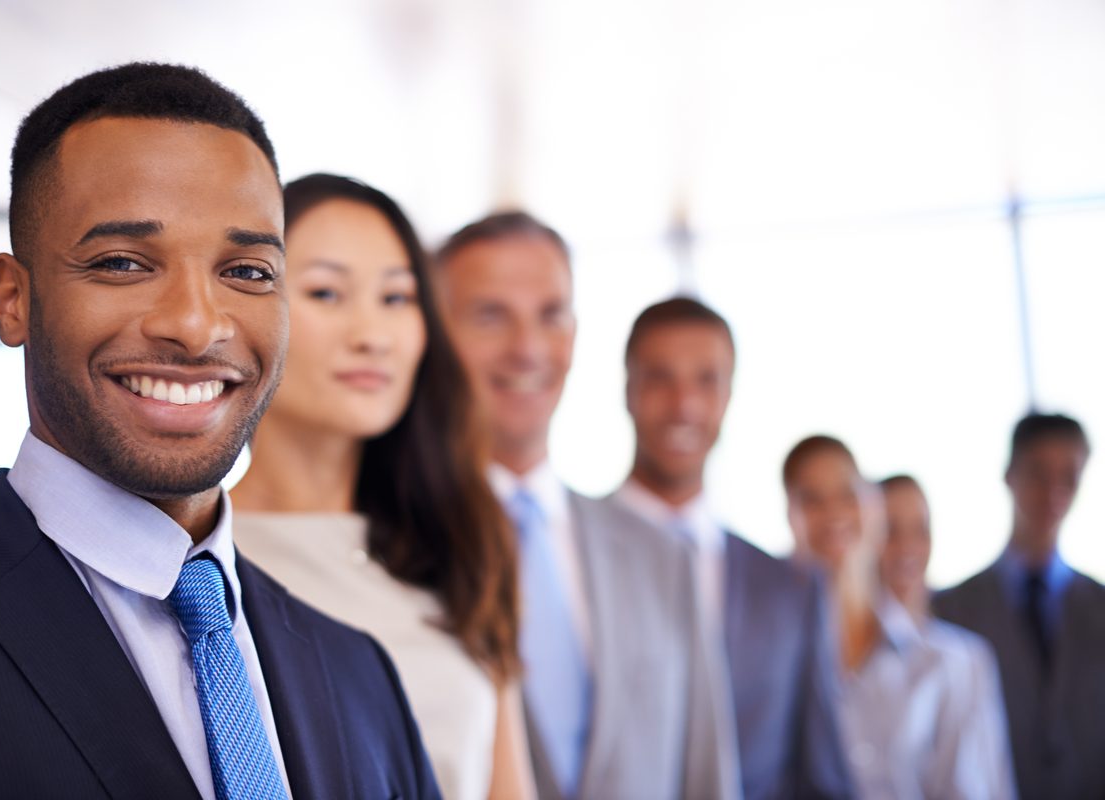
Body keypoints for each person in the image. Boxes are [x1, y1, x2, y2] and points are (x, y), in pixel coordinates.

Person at [0, 64, 439, 799]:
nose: (195, 326)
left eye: (247, 272)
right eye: (122, 263)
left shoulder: (357, 671)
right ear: (13, 298)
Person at [229, 173, 534, 800]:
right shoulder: (198, 567)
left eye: (397, 299)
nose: (372, 335)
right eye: (326, 292)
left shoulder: (459, 537)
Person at [433, 212, 740, 800]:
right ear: (436, 335)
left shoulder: (660, 557)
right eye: (491, 316)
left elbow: (707, 777)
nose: (527, 349)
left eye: (550, 315)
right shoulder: (395, 550)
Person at [609, 297, 853, 799]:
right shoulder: (562, 559)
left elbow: (820, 777)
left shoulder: (791, 590)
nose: (684, 405)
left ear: (729, 393)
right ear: (627, 390)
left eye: (706, 380)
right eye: (660, 378)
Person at [784, 435, 1015, 800]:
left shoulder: (956, 663)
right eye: (812, 500)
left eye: (846, 496)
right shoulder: (780, 656)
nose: (832, 515)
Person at [934, 413, 1105, 799]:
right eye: (1039, 474)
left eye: (1069, 477)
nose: (1053, 492)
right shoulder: (949, 611)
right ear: (1010, 474)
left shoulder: (1101, 606)